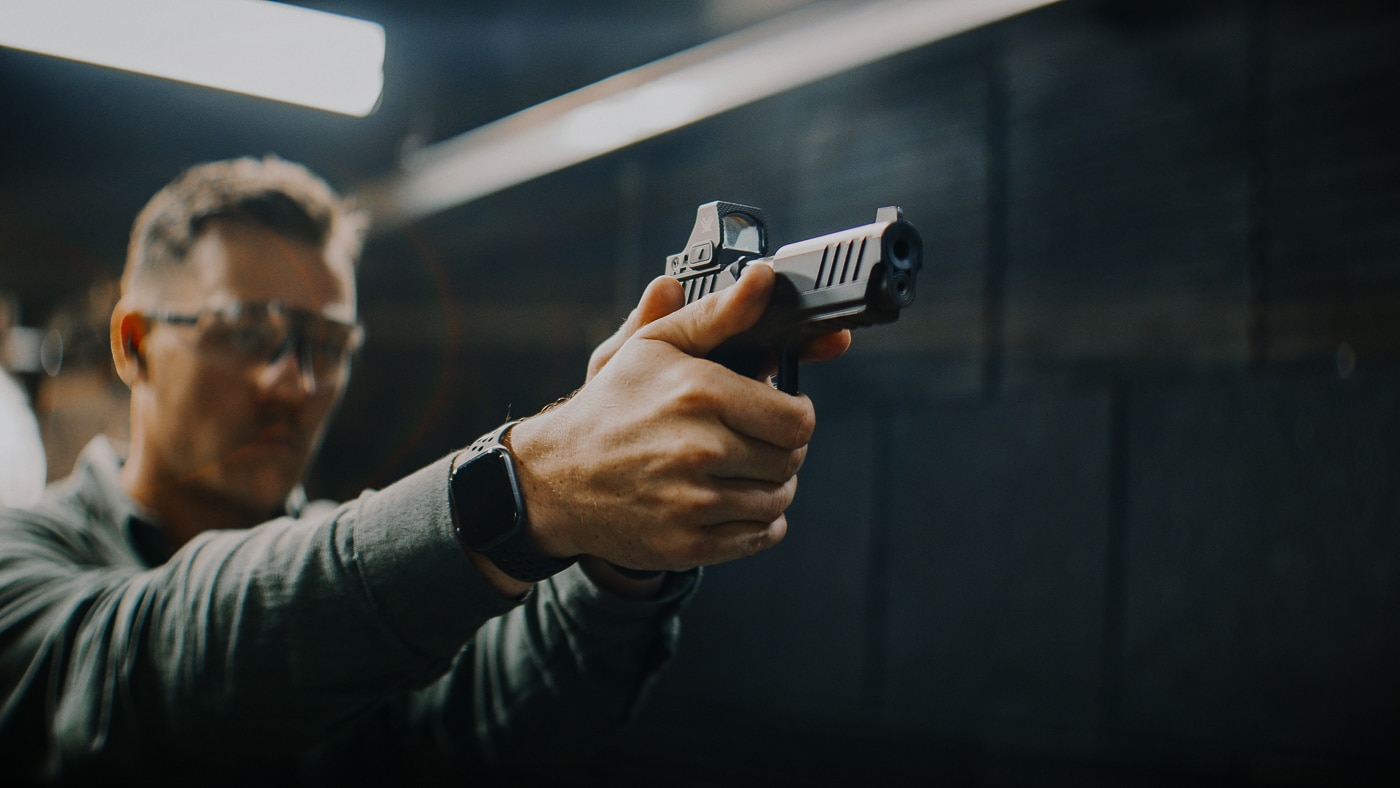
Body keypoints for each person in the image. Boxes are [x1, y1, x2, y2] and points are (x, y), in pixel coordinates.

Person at [0, 156, 849, 785]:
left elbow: (494, 718)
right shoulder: (19, 562)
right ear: (134, 344)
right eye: (246, 331)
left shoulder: (378, 578)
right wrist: (523, 487)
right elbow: (133, 673)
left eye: (326, 345)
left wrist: (620, 553)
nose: (293, 380)